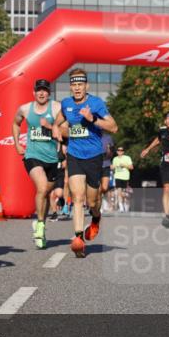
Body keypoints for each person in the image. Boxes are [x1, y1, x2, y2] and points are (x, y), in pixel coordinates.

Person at [53, 69, 118, 258]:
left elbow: (113, 127)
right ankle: (78, 239)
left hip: (94, 157)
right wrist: (57, 129)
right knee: (78, 197)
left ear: (86, 86)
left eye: (80, 85)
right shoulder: (66, 104)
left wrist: (93, 119)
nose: (77, 88)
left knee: (92, 201)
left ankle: (96, 217)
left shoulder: (96, 103)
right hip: (74, 155)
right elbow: (59, 122)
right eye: (74, 85)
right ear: (71, 87)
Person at [13, 79, 61, 249]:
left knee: (47, 192)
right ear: (34, 92)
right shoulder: (25, 109)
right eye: (38, 90)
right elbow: (15, 123)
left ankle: (41, 221)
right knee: (41, 188)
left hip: (52, 158)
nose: (41, 93)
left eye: (45, 91)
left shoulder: (56, 108)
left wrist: (50, 126)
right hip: (32, 155)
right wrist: (17, 143)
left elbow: (65, 129)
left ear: (49, 93)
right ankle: (40, 225)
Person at [111, 145, 134, 213]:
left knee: (124, 193)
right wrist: (112, 167)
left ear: (123, 152)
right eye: (118, 150)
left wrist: (124, 165)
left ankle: (124, 204)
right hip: (117, 176)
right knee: (119, 191)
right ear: (117, 152)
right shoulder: (115, 159)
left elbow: (131, 167)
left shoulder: (127, 158)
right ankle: (121, 206)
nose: (120, 152)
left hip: (125, 176)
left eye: (121, 151)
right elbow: (112, 167)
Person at [100, 132, 115, 213]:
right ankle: (99, 205)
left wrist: (109, 151)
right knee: (97, 186)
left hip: (106, 163)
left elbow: (112, 151)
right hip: (95, 164)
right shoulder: (92, 136)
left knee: (105, 187)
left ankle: (100, 200)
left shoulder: (108, 137)